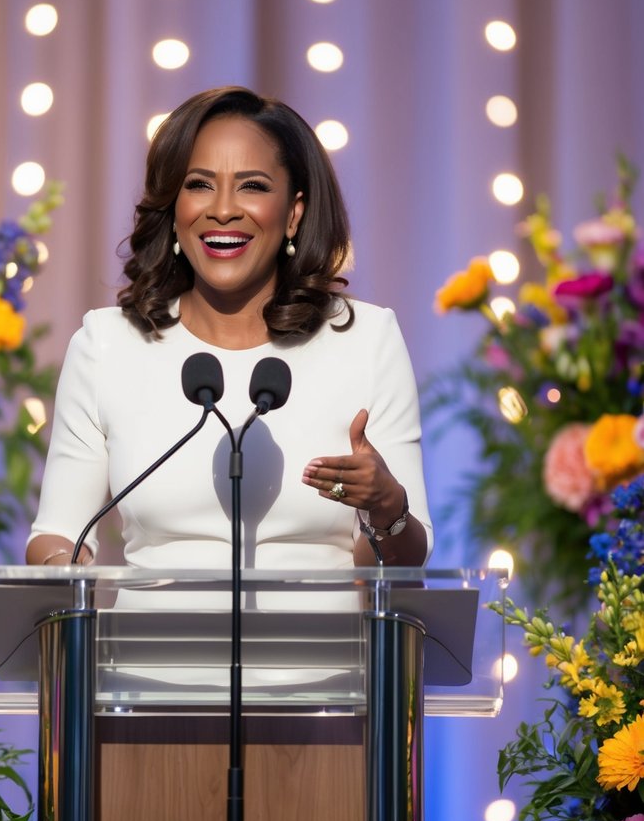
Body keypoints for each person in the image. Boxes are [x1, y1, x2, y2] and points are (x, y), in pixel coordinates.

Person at [26, 86, 432, 572]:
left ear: (293, 214)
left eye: (252, 186)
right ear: (174, 209)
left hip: (320, 646)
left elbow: (404, 563)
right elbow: (57, 533)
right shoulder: (107, 344)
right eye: (199, 184)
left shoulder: (366, 339)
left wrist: (387, 509)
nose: (222, 209)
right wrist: (60, 567)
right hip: (150, 646)